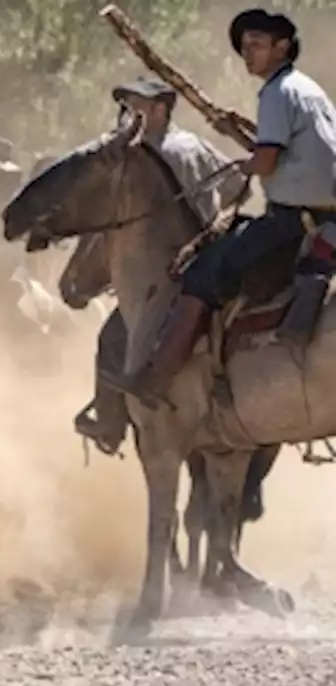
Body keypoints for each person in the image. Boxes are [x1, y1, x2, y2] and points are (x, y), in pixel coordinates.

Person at [112, 9, 336, 408]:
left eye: (257, 45)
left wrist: (249, 162)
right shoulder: (306, 89)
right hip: (326, 215)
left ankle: (158, 377)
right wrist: (237, 134)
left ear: (281, 47)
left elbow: (268, 162)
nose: (248, 53)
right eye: (244, 46)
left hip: (292, 221)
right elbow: (291, 156)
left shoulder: (277, 92)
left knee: (200, 274)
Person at [78, 77, 252, 451]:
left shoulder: (139, 159)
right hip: (212, 255)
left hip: (167, 269)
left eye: (135, 105)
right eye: (126, 105)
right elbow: (240, 182)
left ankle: (109, 425)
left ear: (159, 109)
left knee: (112, 337)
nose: (128, 114)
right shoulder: (195, 145)